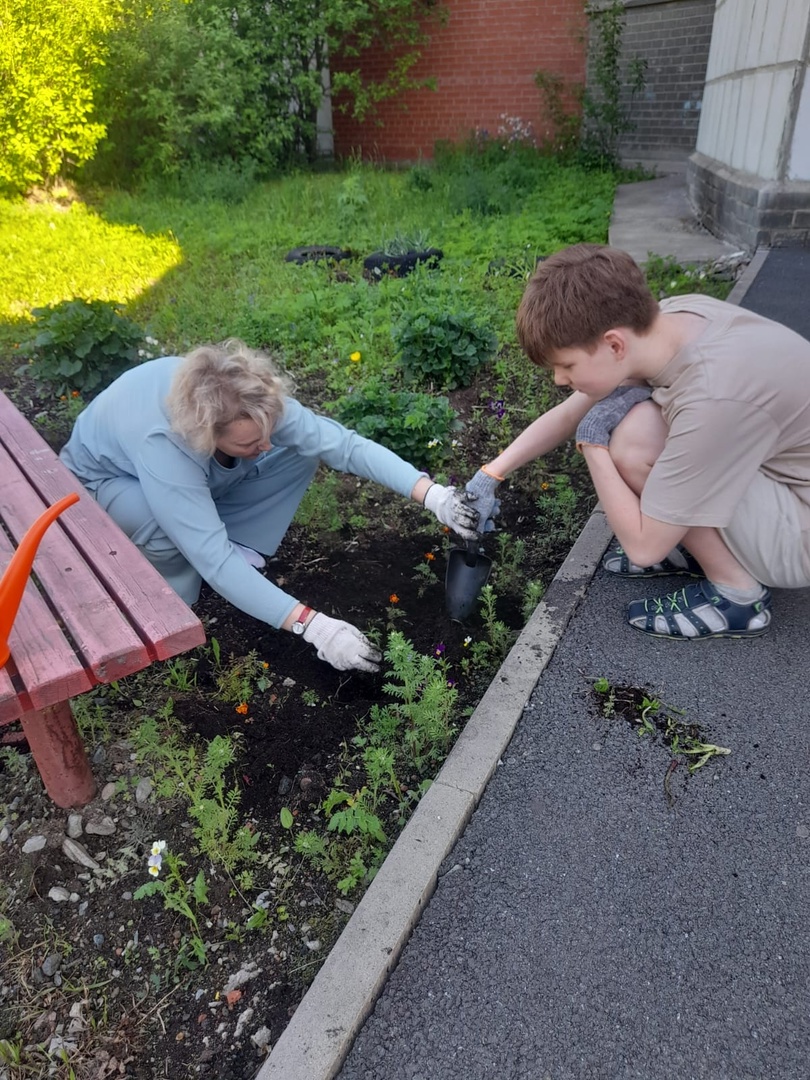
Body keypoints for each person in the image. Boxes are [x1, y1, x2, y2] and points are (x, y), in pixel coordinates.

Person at [60, 341, 479, 672]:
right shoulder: (165, 443)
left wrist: (432, 494)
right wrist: (312, 626)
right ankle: (170, 596)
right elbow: (214, 561)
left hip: (185, 469)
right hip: (102, 486)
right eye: (248, 443)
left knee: (301, 450)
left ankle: (238, 539)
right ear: (208, 434)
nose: (263, 448)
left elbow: (343, 446)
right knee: (168, 527)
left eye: (267, 433)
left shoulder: (248, 398)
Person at [461, 243, 810, 639]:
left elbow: (644, 548)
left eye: (566, 365)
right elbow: (568, 412)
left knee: (635, 442)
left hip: (798, 532)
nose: (558, 379)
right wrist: (491, 474)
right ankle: (699, 541)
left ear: (614, 344)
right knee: (638, 417)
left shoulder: (711, 395)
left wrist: (593, 443)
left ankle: (737, 595)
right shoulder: (672, 320)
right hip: (777, 472)